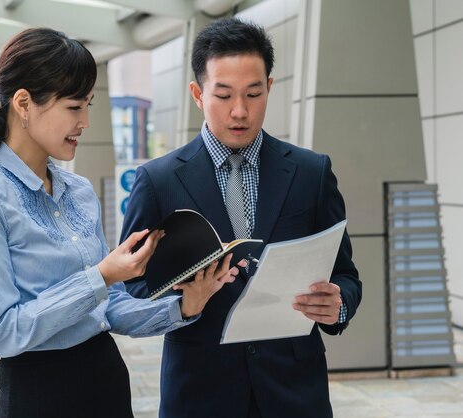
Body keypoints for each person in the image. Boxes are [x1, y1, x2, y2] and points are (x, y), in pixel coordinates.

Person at [0, 27, 240, 418]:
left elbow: (110, 308)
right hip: (38, 393)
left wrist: (184, 306)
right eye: (73, 107)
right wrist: (100, 275)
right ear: (23, 103)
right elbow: (0, 331)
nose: (84, 121)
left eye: (88, 105)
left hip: (105, 379)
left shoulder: (78, 191)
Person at [121, 18, 362, 418]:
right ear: (198, 94)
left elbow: (346, 274)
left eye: (253, 94)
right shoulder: (158, 181)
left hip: (295, 394)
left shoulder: (311, 172)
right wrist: (184, 302)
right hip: (199, 394)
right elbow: (130, 288)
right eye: (224, 95)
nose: (240, 111)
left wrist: (338, 305)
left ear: (269, 87)